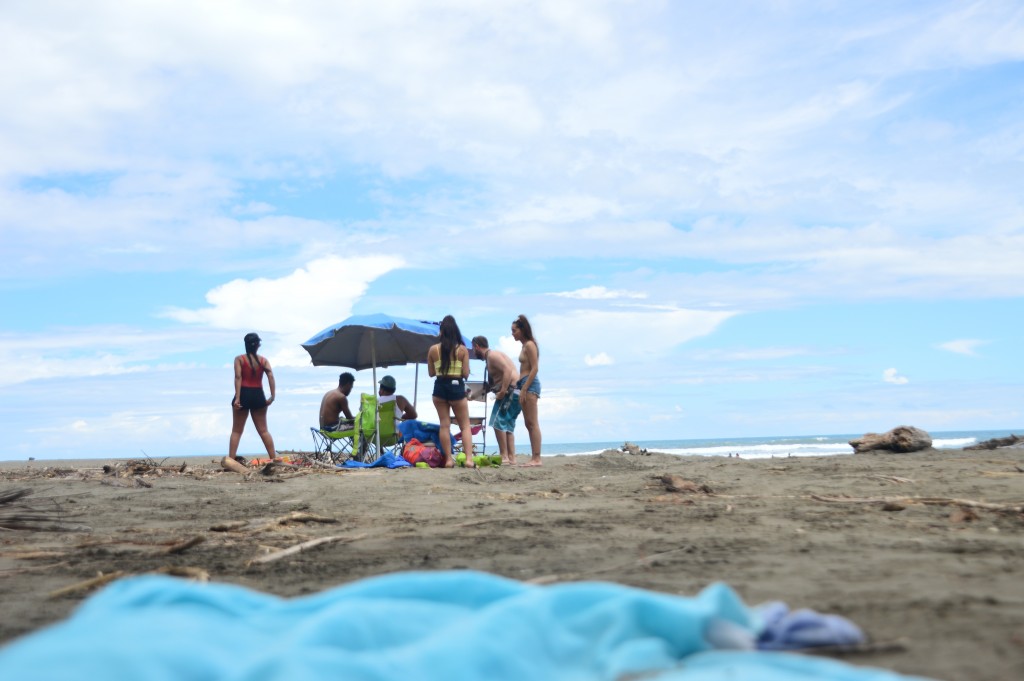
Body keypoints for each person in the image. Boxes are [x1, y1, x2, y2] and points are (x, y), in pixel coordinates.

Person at [427, 315, 474, 468]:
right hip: (456, 387)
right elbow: (465, 374)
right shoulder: (462, 350)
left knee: (444, 425)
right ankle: (469, 460)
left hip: (440, 387)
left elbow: (431, 373)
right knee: (465, 426)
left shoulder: (433, 350)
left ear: (441, 331)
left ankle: (448, 460)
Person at [471, 336, 521, 465]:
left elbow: (508, 370)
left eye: (473, 348)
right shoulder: (492, 357)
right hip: (517, 392)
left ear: (477, 346)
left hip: (509, 391)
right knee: (508, 426)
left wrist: (503, 391)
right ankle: (511, 458)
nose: (473, 352)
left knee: (497, 423)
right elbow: (492, 384)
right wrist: (473, 395)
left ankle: (504, 456)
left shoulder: (492, 356)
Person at [229, 332, 277, 463]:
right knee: (264, 431)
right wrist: (272, 396)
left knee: (236, 431)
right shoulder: (263, 360)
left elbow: (238, 377)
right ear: (258, 345)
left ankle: (231, 460)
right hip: (258, 395)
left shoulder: (239, 359)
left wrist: (237, 398)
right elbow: (271, 376)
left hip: (244, 393)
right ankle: (274, 459)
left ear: (246, 345)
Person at [511, 315, 542, 467]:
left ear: (522, 330)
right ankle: (534, 457)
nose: (512, 334)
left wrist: (524, 388)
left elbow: (535, 368)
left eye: (514, 330)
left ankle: (537, 458)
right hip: (523, 383)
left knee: (533, 422)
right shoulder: (524, 346)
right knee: (528, 423)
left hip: (530, 384)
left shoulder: (530, 345)